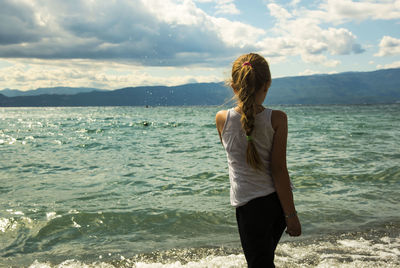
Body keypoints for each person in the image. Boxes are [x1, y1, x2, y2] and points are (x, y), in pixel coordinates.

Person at [215, 53, 301, 268]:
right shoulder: (278, 118)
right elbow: (279, 170)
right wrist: (290, 214)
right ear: (267, 84)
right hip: (276, 207)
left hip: (249, 209)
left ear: (234, 86)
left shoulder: (222, 119)